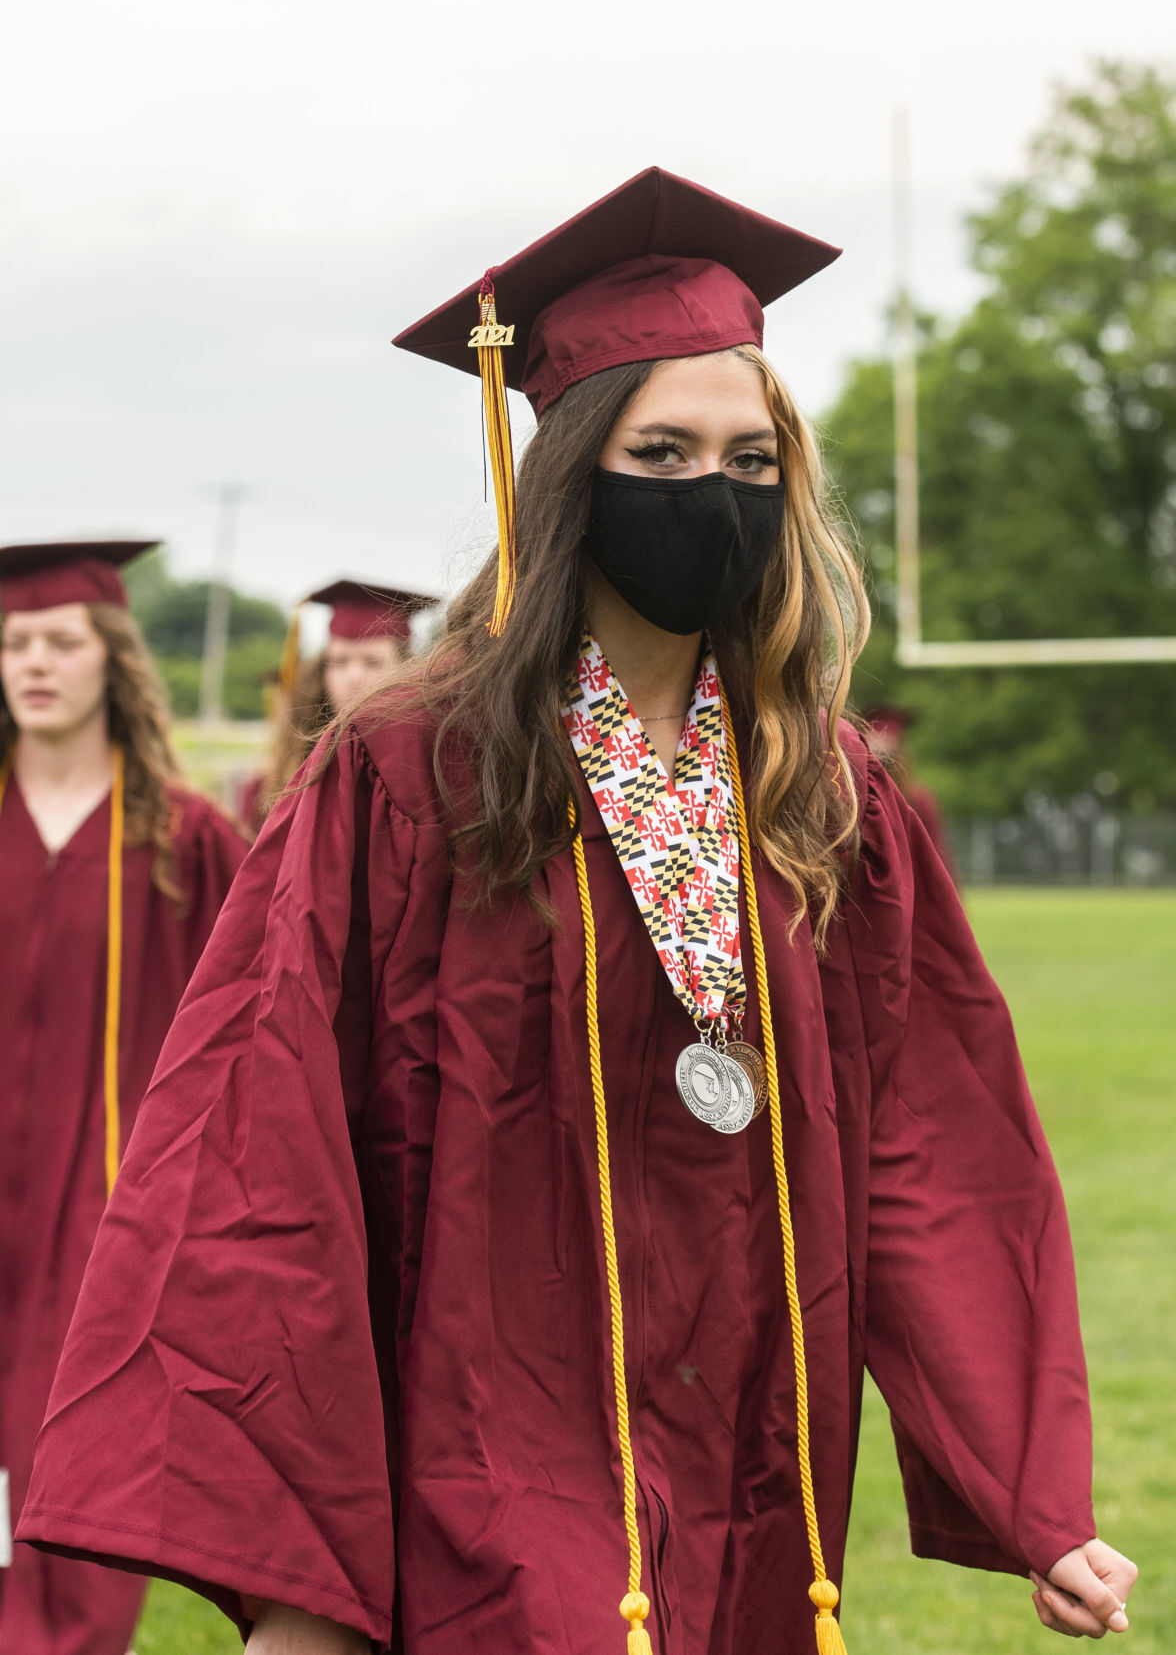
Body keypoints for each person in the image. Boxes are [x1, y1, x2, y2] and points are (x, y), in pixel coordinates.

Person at [19, 172, 1136, 1654]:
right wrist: (304, 1578)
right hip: (490, 1424)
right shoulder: (417, 772)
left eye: (750, 457)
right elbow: (262, 1143)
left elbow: (931, 1143)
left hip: (757, 1433)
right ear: (565, 474)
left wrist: (1032, 1492)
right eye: (661, 450)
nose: (712, 491)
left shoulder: (821, 793)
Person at [0, 540, 249, 1655]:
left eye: (61, 640)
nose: (35, 662)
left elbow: (261, 1008)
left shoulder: (182, 840)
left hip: (106, 1214)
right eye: (14, 643)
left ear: (114, 659)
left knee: (69, 1451)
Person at [238, 580, 437, 835]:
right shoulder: (273, 783)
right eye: (340, 661)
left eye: (373, 662)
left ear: (407, 671)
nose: (354, 677)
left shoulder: (431, 772)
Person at [862, 705, 959, 884]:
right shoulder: (854, 798)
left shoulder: (919, 801)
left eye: (887, 758)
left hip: (909, 886)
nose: (881, 765)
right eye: (875, 756)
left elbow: (935, 860)